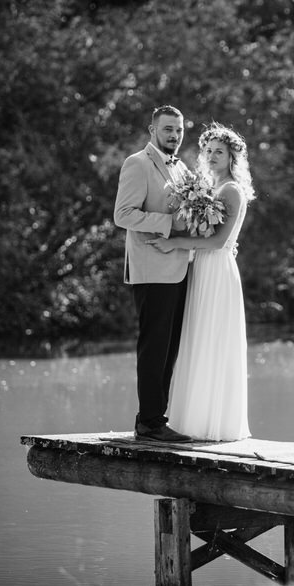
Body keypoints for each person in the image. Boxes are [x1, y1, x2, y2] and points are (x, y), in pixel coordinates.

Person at [148, 123, 256, 441]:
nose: (211, 156)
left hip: (217, 271)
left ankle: (214, 424)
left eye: (218, 152)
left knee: (213, 341)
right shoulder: (209, 189)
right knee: (197, 341)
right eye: (207, 151)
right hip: (201, 270)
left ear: (232, 157)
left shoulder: (232, 190)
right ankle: (192, 422)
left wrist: (174, 243)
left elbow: (219, 243)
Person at [113, 105, 194, 443]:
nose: (174, 135)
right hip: (151, 270)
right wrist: (167, 224)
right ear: (152, 130)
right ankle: (148, 422)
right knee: (154, 347)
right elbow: (123, 214)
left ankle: (156, 419)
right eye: (167, 129)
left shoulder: (182, 168)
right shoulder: (138, 164)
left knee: (170, 348)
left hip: (178, 268)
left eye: (178, 129)